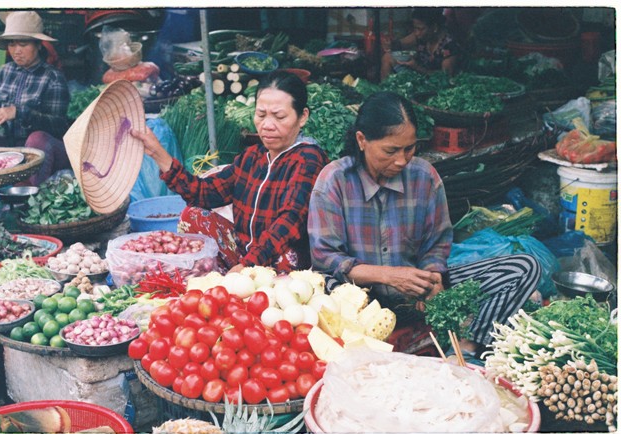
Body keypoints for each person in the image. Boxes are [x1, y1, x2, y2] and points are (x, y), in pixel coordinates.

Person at [308, 91, 541, 362]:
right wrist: (388, 275)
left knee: (523, 267)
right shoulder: (335, 180)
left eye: (409, 149)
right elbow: (326, 258)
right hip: (358, 300)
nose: (401, 160)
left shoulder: (424, 177)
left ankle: (467, 347)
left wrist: (433, 280)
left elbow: (437, 244)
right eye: (390, 150)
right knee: (321, 286)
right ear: (362, 140)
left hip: (414, 294)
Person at [132, 70, 329, 274]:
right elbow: (204, 193)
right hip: (246, 255)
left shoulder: (308, 158)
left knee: (286, 254)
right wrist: (158, 154)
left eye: (279, 117)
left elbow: (290, 221)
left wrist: (248, 266)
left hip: (280, 259)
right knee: (194, 215)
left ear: (302, 116)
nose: (267, 125)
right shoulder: (252, 157)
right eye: (261, 115)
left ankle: (243, 278)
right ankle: (231, 275)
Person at [0, 11, 71, 186]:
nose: (16, 51)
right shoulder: (4, 72)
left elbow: (59, 126)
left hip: (43, 151)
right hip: (11, 148)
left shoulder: (53, 77)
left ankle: (31, 196)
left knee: (37, 138)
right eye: (12, 44)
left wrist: (20, 113)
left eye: (23, 44)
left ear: (39, 44)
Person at [380, 7, 462, 80]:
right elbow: (400, 44)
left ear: (434, 27)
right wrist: (390, 44)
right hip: (419, 75)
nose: (416, 33)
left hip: (434, 83)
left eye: (420, 29)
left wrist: (417, 67)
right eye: (415, 28)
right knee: (387, 57)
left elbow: (444, 78)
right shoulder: (422, 36)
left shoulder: (449, 47)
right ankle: (385, 91)